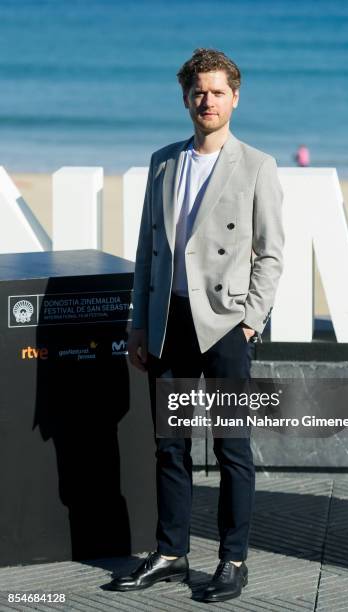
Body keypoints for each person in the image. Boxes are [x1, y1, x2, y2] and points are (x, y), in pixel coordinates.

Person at [107, 48, 284, 602]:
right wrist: (139, 322)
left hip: (226, 325)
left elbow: (270, 253)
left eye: (216, 91)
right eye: (197, 91)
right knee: (170, 445)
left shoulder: (257, 165)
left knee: (232, 446)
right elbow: (148, 249)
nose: (206, 100)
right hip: (167, 324)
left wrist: (250, 322)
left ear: (236, 96)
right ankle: (172, 553)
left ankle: (233, 559)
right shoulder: (163, 161)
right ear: (185, 97)